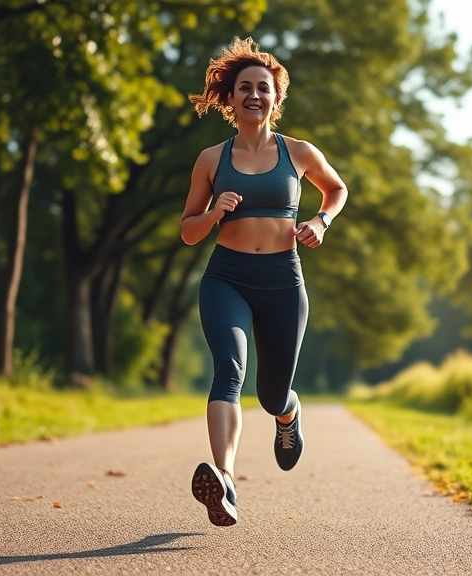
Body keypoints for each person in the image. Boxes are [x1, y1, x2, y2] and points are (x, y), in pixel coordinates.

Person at [180, 36, 348, 527]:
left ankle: (287, 415)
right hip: (226, 278)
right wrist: (213, 213)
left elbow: (336, 189)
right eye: (244, 88)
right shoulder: (211, 159)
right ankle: (225, 481)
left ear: (276, 98)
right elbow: (188, 233)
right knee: (229, 368)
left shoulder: (299, 152)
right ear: (230, 99)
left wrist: (320, 222)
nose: (254, 94)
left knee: (271, 393)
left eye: (264, 88)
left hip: (282, 279)